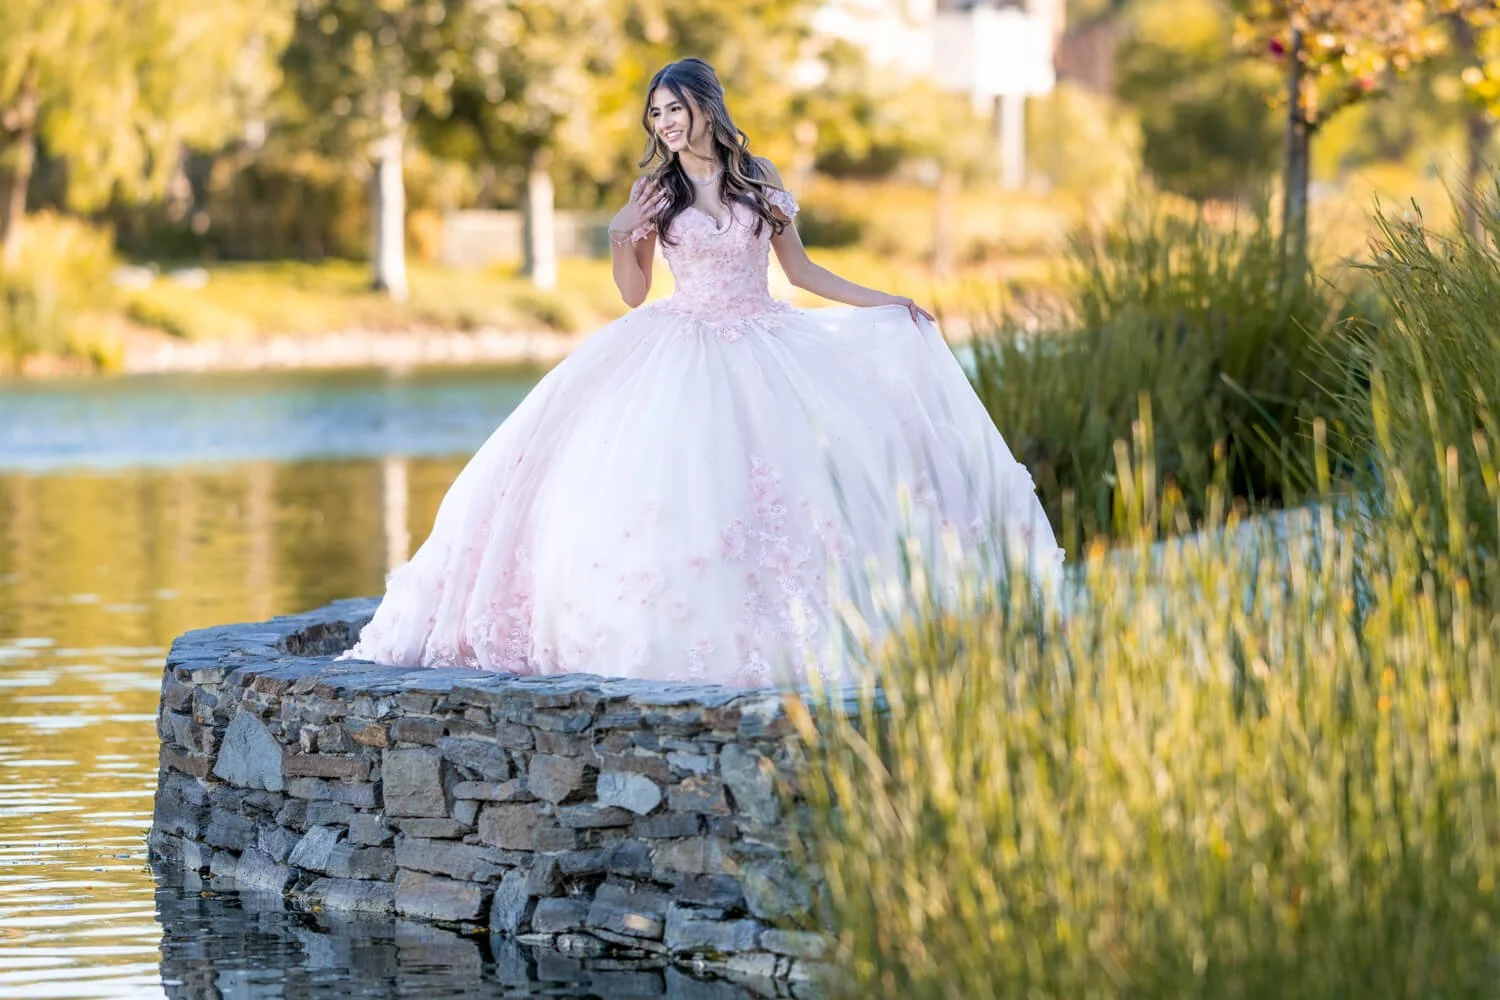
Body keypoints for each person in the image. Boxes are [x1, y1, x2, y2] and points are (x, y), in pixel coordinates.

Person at [339, 57, 1061, 687]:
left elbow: (801, 270)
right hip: (681, 347)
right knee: (685, 487)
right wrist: (623, 234)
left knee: (800, 484)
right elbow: (632, 290)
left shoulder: (758, 179)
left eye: (674, 109)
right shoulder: (656, 190)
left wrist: (888, 300)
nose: (665, 124)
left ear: (705, 107)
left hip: (768, 340)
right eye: (655, 114)